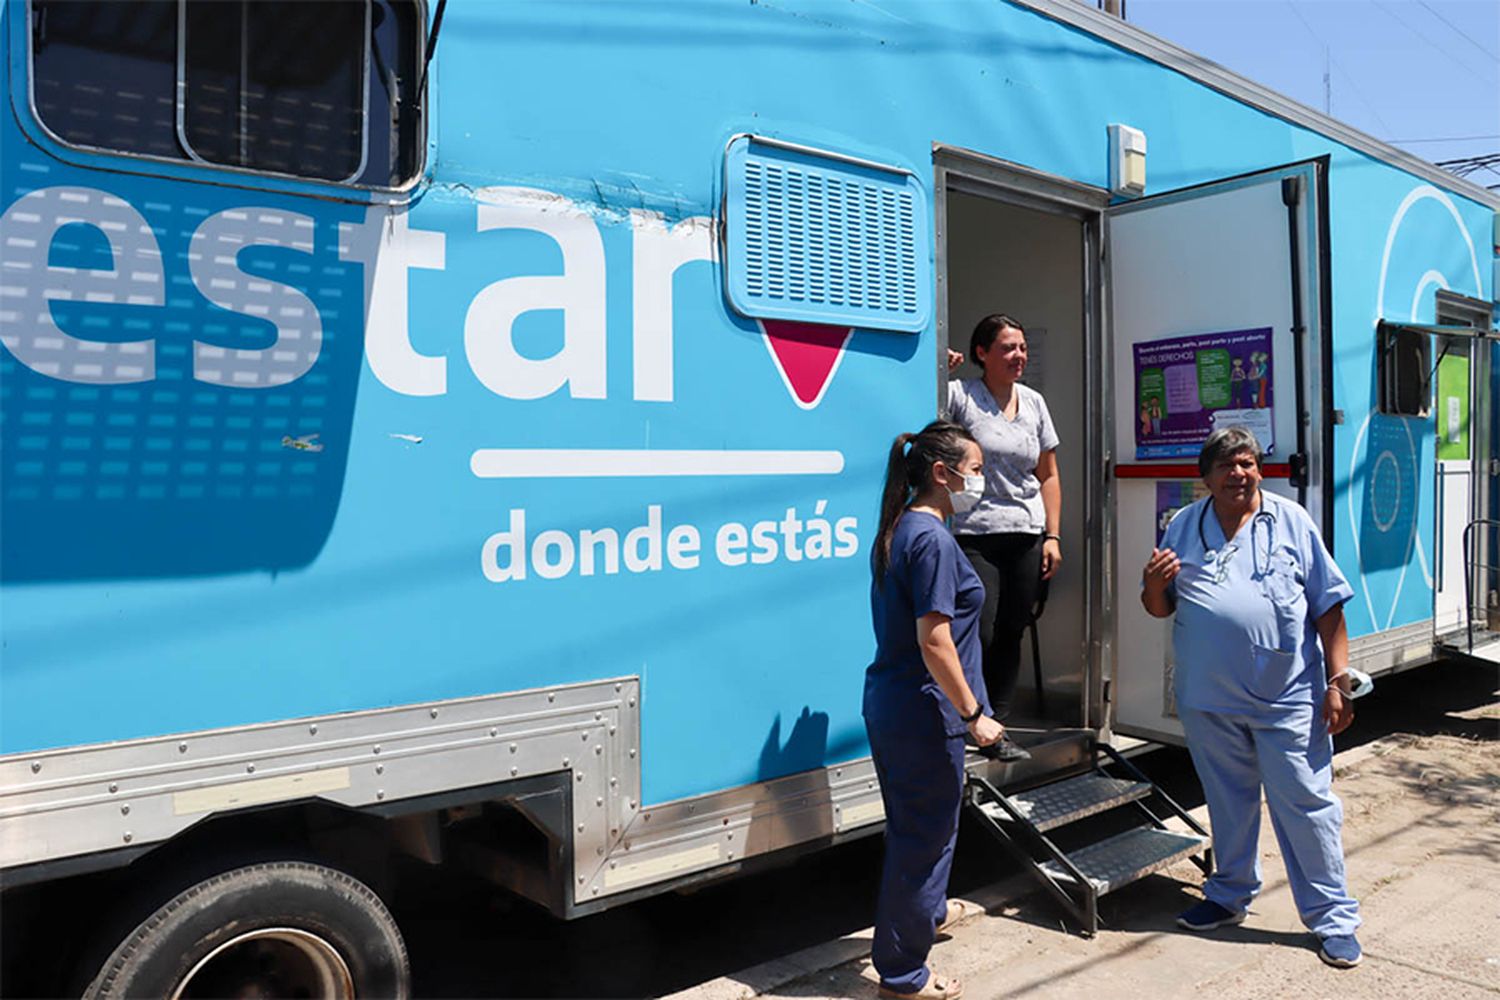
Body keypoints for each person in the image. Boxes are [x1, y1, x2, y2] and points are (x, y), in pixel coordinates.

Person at [1141, 426, 1363, 969]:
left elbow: (1328, 608)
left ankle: (1333, 919)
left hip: (1286, 699)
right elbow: (1160, 607)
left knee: (1308, 807)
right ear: (1207, 479)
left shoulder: (1291, 521)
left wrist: (1338, 683)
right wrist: (1151, 583)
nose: (1240, 473)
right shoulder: (1183, 526)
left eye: (1247, 463)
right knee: (1227, 803)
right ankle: (1228, 894)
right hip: (1210, 700)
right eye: (1227, 466)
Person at [865, 420, 1005, 1000]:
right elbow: (934, 640)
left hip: (895, 703)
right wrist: (975, 715)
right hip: (926, 712)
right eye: (974, 470)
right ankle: (902, 973)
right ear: (942, 474)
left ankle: (922, 916)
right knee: (926, 838)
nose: (982, 480)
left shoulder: (901, 529)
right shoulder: (934, 540)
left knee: (913, 832)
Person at [944, 315, 1061, 760]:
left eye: (1023, 348)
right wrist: (941, 371)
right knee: (982, 631)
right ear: (982, 354)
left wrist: (1052, 534)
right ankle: (972, 717)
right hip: (974, 533)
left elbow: (1047, 474)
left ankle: (1000, 726)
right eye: (1008, 348)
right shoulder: (961, 396)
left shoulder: (1033, 403)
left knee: (1013, 629)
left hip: (1026, 531)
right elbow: (924, 426)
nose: (1019, 357)